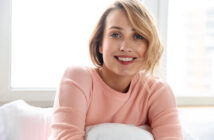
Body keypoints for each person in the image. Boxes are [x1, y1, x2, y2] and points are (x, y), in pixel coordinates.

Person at [49, 0, 183, 139]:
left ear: (148, 45)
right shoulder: (78, 78)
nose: (125, 47)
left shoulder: (157, 91)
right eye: (115, 35)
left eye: (137, 36)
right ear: (100, 44)